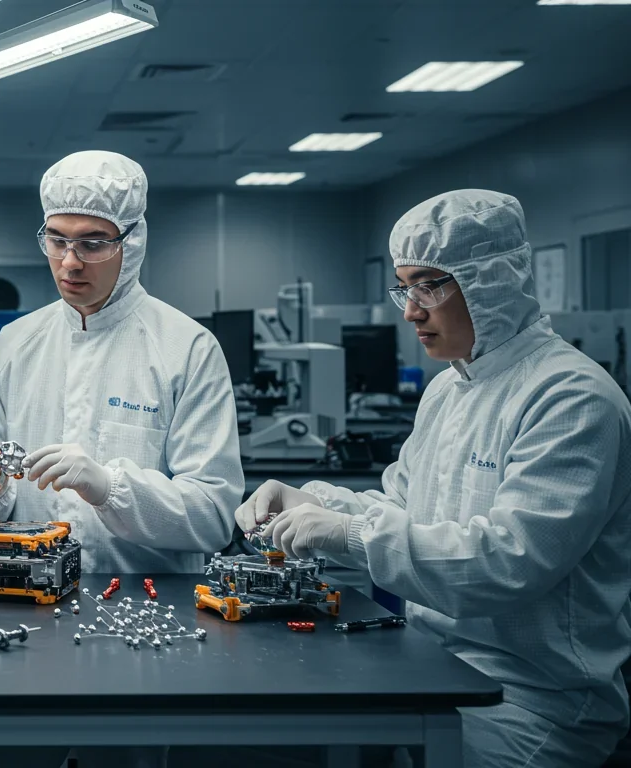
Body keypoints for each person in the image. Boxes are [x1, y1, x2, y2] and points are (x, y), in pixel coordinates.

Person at [237, 190, 631, 768]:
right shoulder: (451, 387)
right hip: (436, 664)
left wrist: (344, 535)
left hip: (533, 701)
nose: (410, 310)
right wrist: (310, 500)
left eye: (430, 285)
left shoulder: (571, 398)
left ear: (492, 280)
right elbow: (402, 507)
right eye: (405, 288)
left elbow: (508, 562)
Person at [0, 151, 243, 768]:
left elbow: (215, 514)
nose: (69, 262)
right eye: (56, 239)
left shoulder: (185, 347)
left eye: (92, 243)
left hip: (146, 612)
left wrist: (110, 485)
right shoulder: (17, 341)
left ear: (131, 242)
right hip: (19, 604)